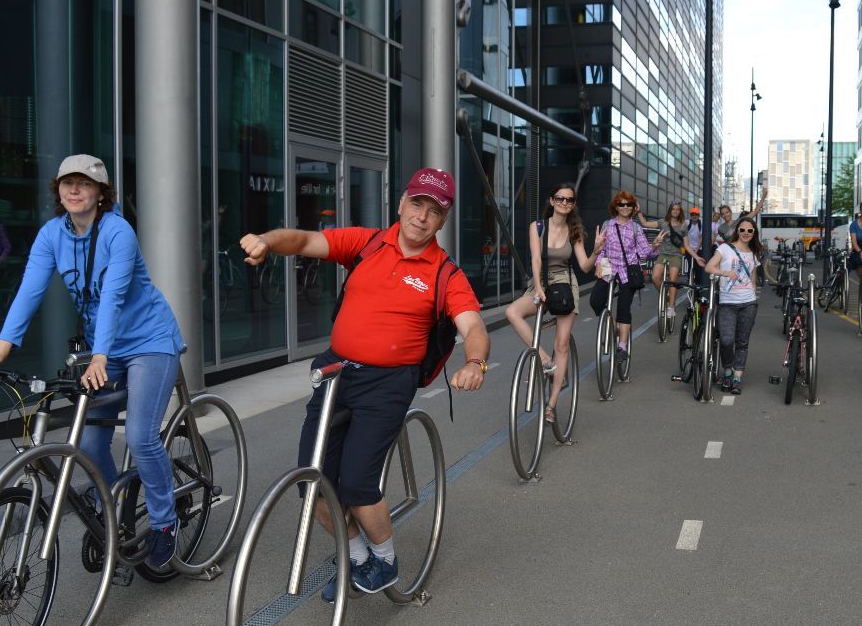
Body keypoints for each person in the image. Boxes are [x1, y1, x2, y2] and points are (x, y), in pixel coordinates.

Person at [239, 168, 489, 598]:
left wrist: (476, 362)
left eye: (433, 211)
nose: (421, 216)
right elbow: (303, 241)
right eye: (417, 204)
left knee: (357, 485)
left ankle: (385, 560)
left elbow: (473, 325)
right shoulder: (368, 243)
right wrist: (267, 240)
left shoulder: (445, 274)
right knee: (313, 484)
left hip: (388, 383)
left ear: (442, 221)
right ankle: (357, 557)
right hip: (335, 373)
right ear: (402, 203)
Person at [0, 154, 187, 569]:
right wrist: (3, 345)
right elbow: (30, 289)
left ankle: (164, 521)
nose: (74, 190)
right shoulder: (52, 234)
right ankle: (112, 503)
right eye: (67, 183)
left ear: (101, 194)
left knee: (140, 436)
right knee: (87, 443)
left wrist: (99, 354)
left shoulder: (118, 232)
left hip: (149, 341)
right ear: (59, 191)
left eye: (84, 184)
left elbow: (113, 297)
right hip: (104, 349)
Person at [505, 183, 601, 422]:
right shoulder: (537, 227)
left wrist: (597, 251)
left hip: (565, 284)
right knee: (512, 312)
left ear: (573, 204)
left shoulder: (574, 231)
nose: (564, 203)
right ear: (552, 200)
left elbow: (585, 266)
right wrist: (538, 287)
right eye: (560, 198)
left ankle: (551, 405)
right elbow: (536, 260)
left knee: (562, 345)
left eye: (569, 200)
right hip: (540, 282)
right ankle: (546, 361)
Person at [594, 190, 656, 366]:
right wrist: (598, 263)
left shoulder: (636, 228)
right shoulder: (607, 225)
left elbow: (644, 252)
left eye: (629, 204)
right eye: (621, 204)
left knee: (623, 307)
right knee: (595, 300)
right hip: (608, 267)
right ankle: (613, 326)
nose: (625, 207)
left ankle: (622, 347)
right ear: (616, 207)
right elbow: (601, 249)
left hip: (628, 270)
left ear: (633, 207)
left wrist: (655, 246)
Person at [704, 216, 763, 394]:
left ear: (754, 233)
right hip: (727, 303)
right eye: (742, 229)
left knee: (742, 342)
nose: (746, 233)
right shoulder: (725, 248)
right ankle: (728, 370)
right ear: (737, 230)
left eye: (750, 230)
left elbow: (753, 277)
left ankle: (736, 378)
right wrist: (725, 273)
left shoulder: (753, 253)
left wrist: (753, 291)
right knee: (726, 340)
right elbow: (709, 267)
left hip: (748, 303)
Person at [638, 201, 703, 319]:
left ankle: (671, 306)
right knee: (655, 277)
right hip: (663, 254)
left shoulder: (683, 226)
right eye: (673, 209)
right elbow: (645, 223)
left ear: (680, 211)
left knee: (673, 281)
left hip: (675, 256)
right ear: (670, 210)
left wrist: (697, 257)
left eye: (678, 209)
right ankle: (665, 295)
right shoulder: (662, 222)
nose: (675, 211)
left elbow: (687, 246)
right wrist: (638, 212)